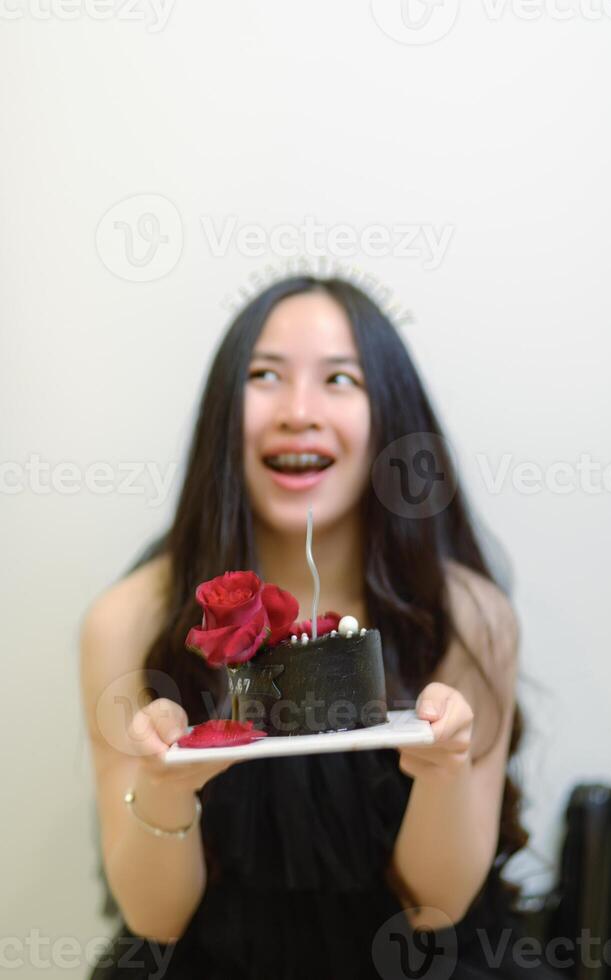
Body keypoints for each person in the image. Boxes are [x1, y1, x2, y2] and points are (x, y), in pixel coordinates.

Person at [80, 275, 563, 980]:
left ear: (389, 415)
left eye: (341, 379)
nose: (299, 411)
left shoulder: (469, 617)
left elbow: (435, 906)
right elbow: (156, 919)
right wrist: (164, 785)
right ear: (223, 413)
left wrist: (445, 767)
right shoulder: (127, 621)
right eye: (264, 376)